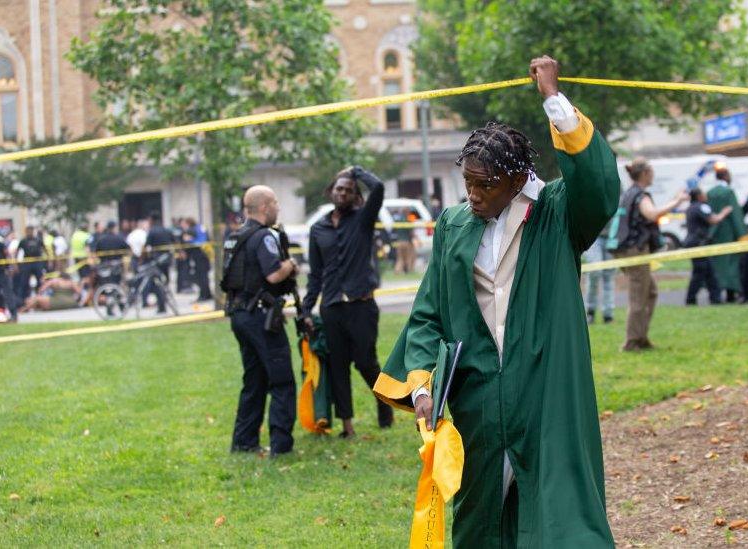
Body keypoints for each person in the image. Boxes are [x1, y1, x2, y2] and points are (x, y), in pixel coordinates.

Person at [373, 56, 617, 547]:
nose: (475, 194)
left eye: (486, 185)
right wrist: (422, 385)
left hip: (545, 389)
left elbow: (600, 186)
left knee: (559, 512)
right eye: (468, 182)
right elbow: (428, 314)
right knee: (480, 518)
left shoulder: (557, 214)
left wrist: (554, 100)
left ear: (517, 178)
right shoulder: (453, 226)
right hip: (480, 392)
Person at [302, 166, 394, 437]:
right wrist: (306, 308)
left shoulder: (363, 220)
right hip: (331, 307)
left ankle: (385, 406)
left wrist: (355, 171)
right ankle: (347, 425)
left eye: (349, 190)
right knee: (338, 365)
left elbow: (377, 187)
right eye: (339, 188)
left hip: (361, 306)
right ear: (331, 191)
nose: (342, 193)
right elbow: (315, 274)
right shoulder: (317, 229)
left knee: (366, 362)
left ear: (355, 196)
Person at [223, 185, 299, 457]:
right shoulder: (264, 236)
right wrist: (290, 264)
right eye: (276, 202)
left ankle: (243, 442)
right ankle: (281, 446)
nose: (278, 207)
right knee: (281, 381)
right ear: (265, 207)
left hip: (240, 315)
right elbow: (274, 275)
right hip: (261, 318)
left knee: (254, 379)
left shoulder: (235, 236)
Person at [615, 158, 686, 351]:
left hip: (626, 249)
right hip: (635, 250)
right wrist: (677, 202)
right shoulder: (641, 195)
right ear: (645, 173)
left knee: (650, 292)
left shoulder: (630, 193)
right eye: (651, 171)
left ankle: (641, 337)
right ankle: (631, 342)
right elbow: (652, 214)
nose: (653, 174)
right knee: (639, 297)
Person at [684, 188, 732, 305]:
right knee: (700, 273)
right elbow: (713, 220)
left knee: (709, 272)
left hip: (696, 243)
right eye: (704, 194)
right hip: (699, 244)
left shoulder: (691, 207)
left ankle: (715, 299)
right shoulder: (701, 207)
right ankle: (691, 299)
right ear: (699, 196)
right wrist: (724, 212)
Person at [708, 168, 748, 303]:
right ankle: (731, 293)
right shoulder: (728, 192)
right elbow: (736, 215)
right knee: (732, 264)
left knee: (719, 265)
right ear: (725, 176)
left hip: (715, 234)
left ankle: (718, 293)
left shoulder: (710, 193)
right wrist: (743, 234)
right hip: (729, 234)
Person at [582, 223, 616, 324]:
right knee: (594, 272)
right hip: (593, 237)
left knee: (609, 276)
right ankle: (590, 311)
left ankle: (608, 315)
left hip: (611, 237)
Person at [145, 213, 176, 314]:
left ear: (152, 220)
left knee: (157, 283)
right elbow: (174, 241)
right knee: (165, 282)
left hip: (157, 260)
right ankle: (166, 301)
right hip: (167, 260)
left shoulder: (152, 231)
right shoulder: (166, 230)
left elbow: (146, 246)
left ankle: (161, 305)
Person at [19, 274, 83, 312]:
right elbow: (79, 292)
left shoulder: (55, 281)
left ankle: (22, 310)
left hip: (55, 301)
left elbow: (41, 290)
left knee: (36, 299)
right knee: (37, 301)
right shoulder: (71, 282)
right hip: (71, 303)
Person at [92, 221, 130, 286]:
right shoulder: (119, 239)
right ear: (114, 228)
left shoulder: (101, 239)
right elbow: (127, 251)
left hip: (104, 267)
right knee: (118, 284)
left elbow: (96, 253)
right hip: (117, 267)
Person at [15, 226, 46, 302]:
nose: (29, 232)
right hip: (27, 263)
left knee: (40, 281)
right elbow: (17, 251)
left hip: (37, 262)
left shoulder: (38, 240)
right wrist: (16, 264)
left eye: (31, 231)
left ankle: (40, 297)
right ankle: (23, 300)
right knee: (24, 282)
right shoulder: (23, 241)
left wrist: (46, 262)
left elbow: (45, 249)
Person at [0, 231, 17, 322]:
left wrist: (9, 267)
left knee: (7, 293)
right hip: (2, 271)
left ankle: (13, 315)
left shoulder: (0, 241)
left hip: (2, 271)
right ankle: (2, 314)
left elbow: (7, 254)